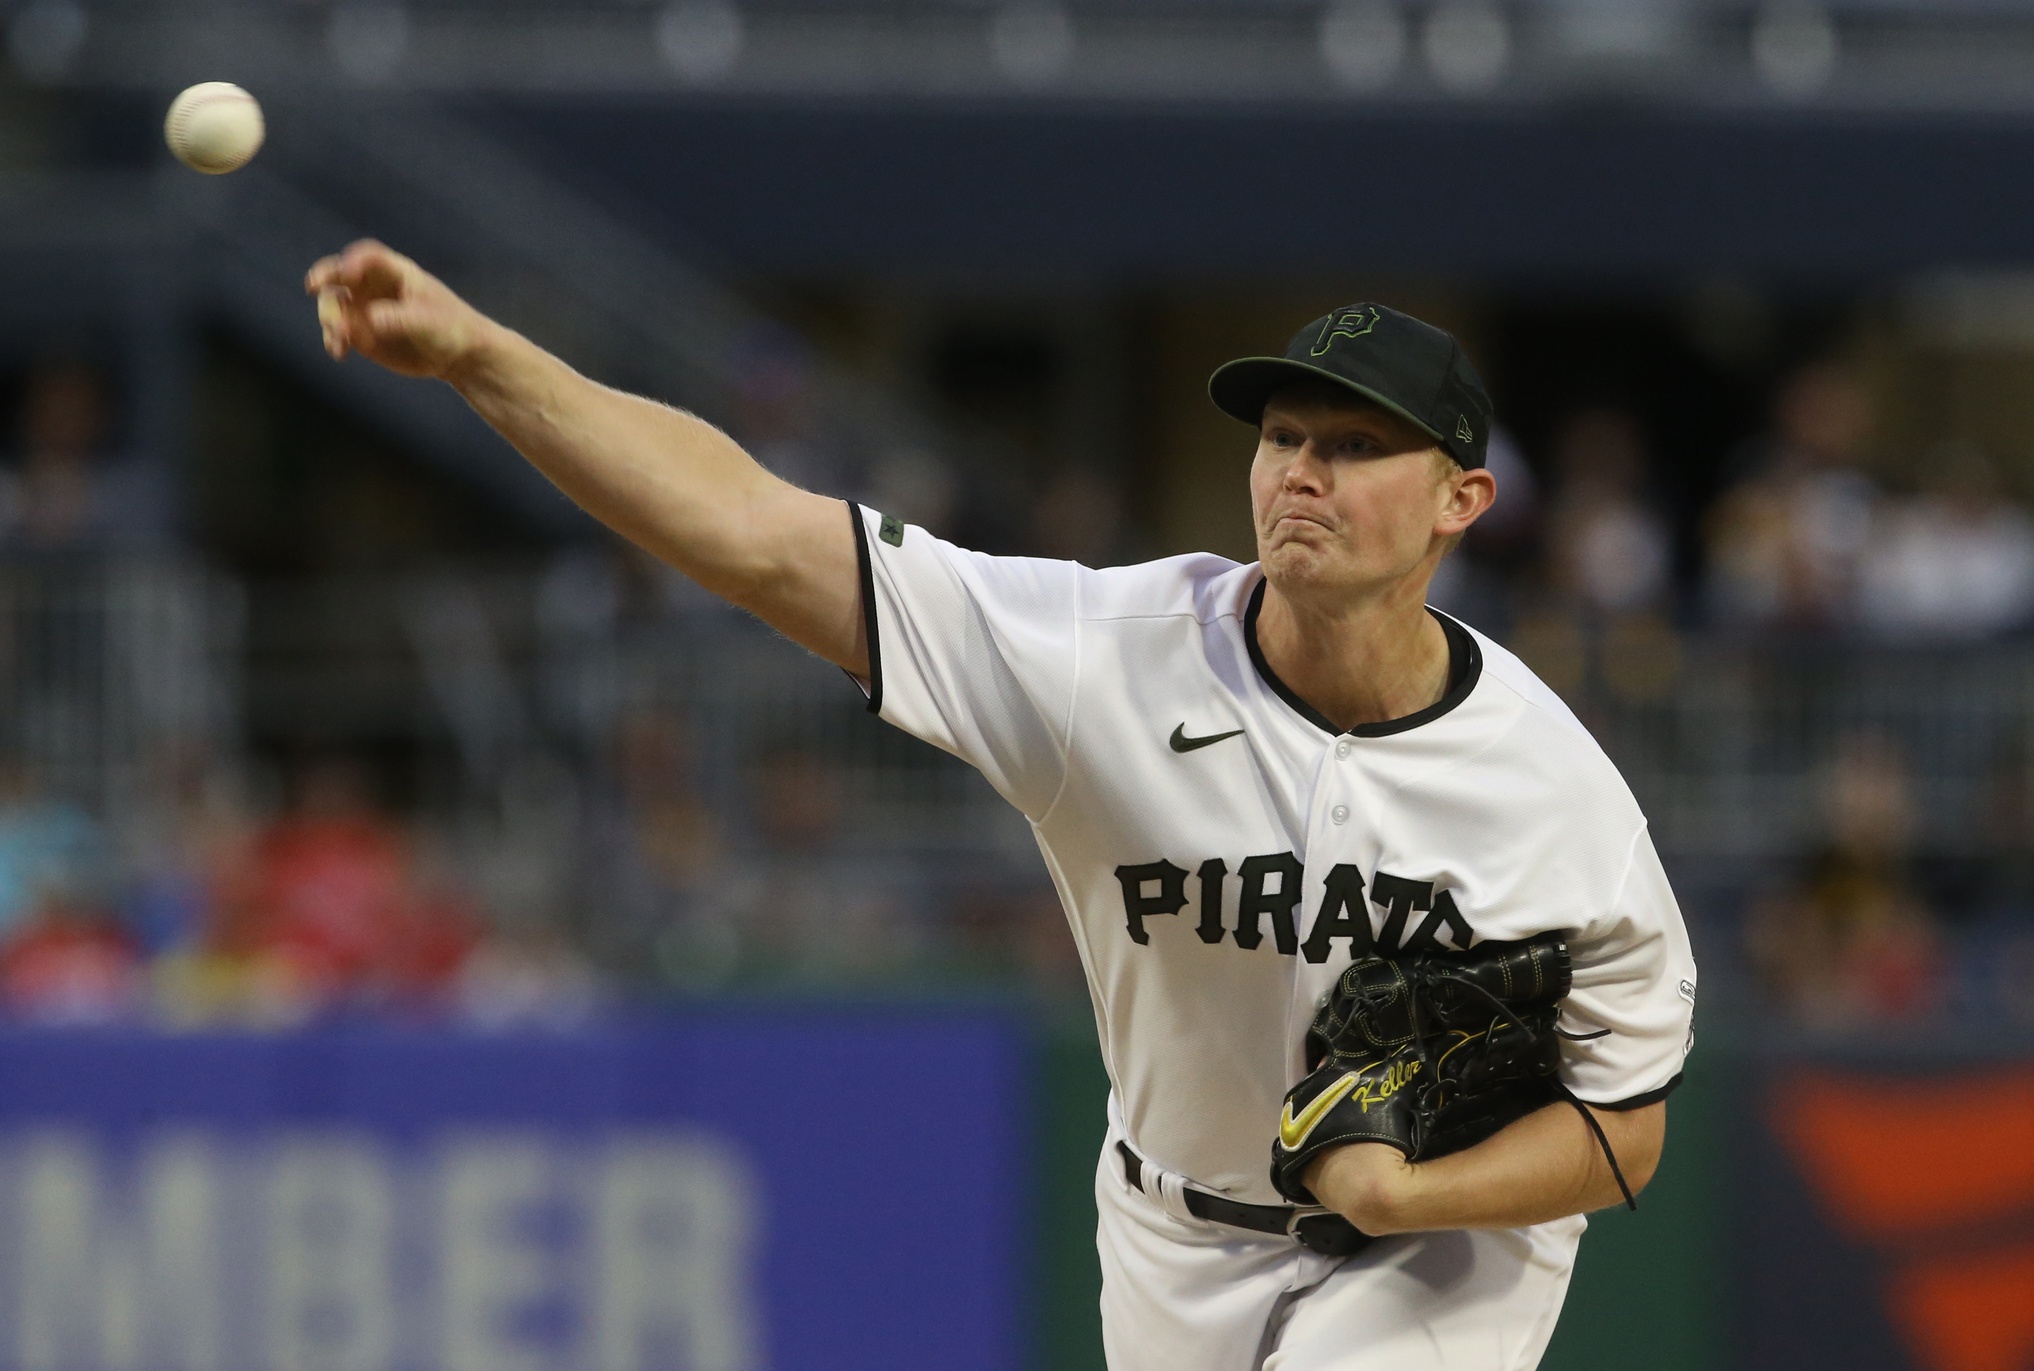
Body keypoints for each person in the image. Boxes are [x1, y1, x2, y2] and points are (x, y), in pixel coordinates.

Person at [306, 248, 1696, 1371]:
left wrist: (1407, 1196)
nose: (1300, 471)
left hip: (1441, 1247)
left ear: (1461, 498)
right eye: (1282, 435)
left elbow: (1621, 1131)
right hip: (1171, 1229)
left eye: (1355, 444)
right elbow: (752, 533)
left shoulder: (1551, 791)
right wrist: (481, 356)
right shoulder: (1104, 660)